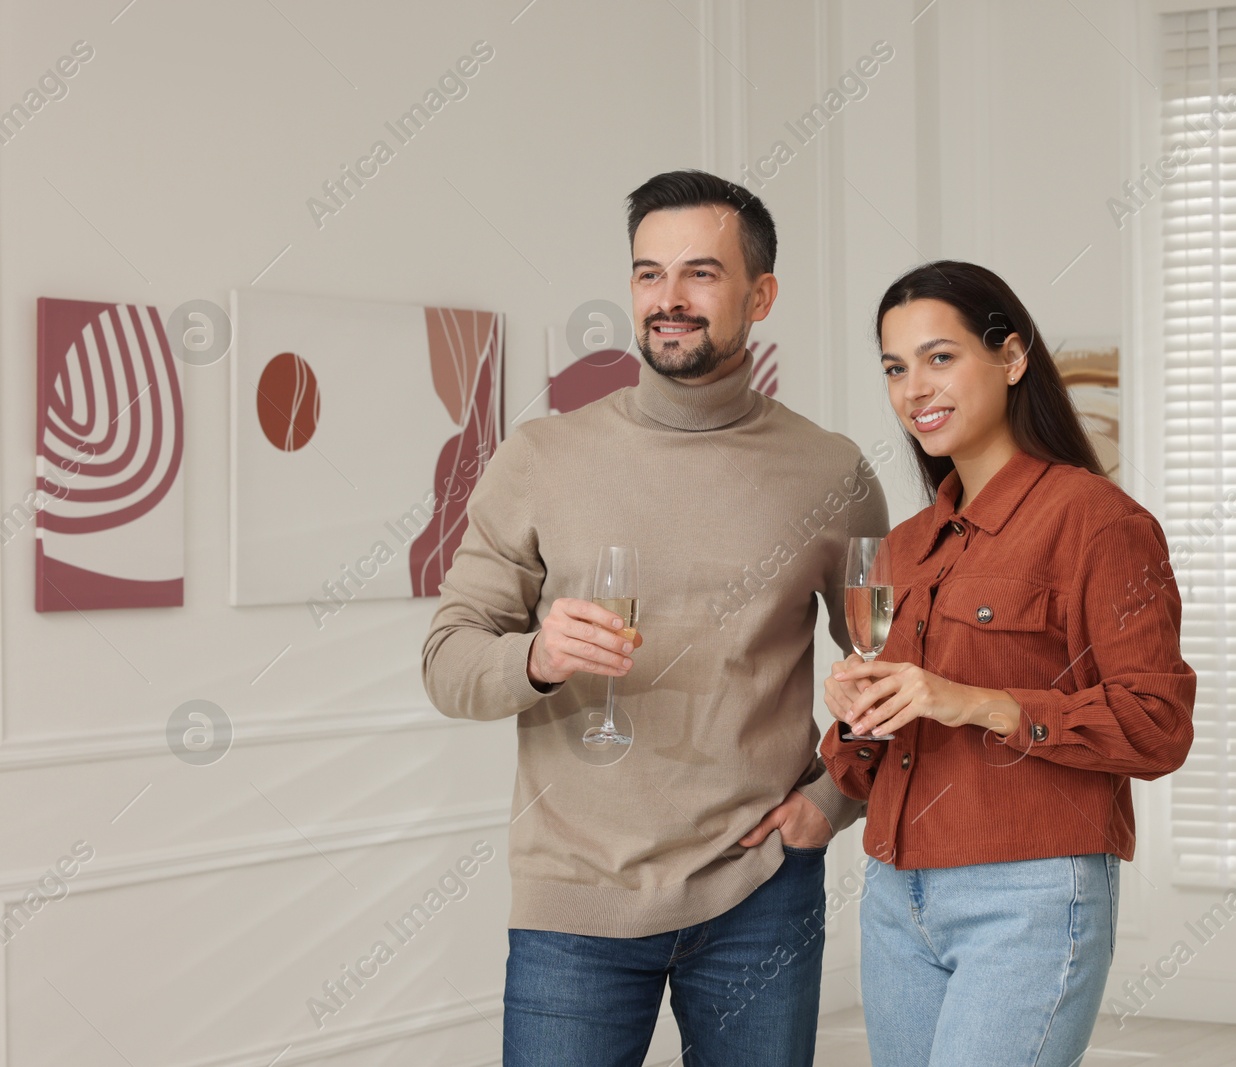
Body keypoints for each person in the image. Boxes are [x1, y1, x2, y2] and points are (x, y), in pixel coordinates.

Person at [422, 170, 889, 1067]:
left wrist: (835, 799)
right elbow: (448, 660)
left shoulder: (829, 470)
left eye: (700, 274)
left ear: (761, 295)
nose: (667, 299)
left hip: (762, 895)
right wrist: (536, 656)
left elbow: (895, 664)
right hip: (576, 902)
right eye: (647, 273)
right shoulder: (542, 456)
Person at [820, 261, 1195, 1067]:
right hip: (895, 895)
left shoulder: (1099, 523)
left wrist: (975, 701)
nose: (914, 387)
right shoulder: (905, 545)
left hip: (1027, 895)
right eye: (895, 367)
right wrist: (855, 715)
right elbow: (860, 769)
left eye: (939, 357)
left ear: (1012, 357)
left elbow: (1158, 727)